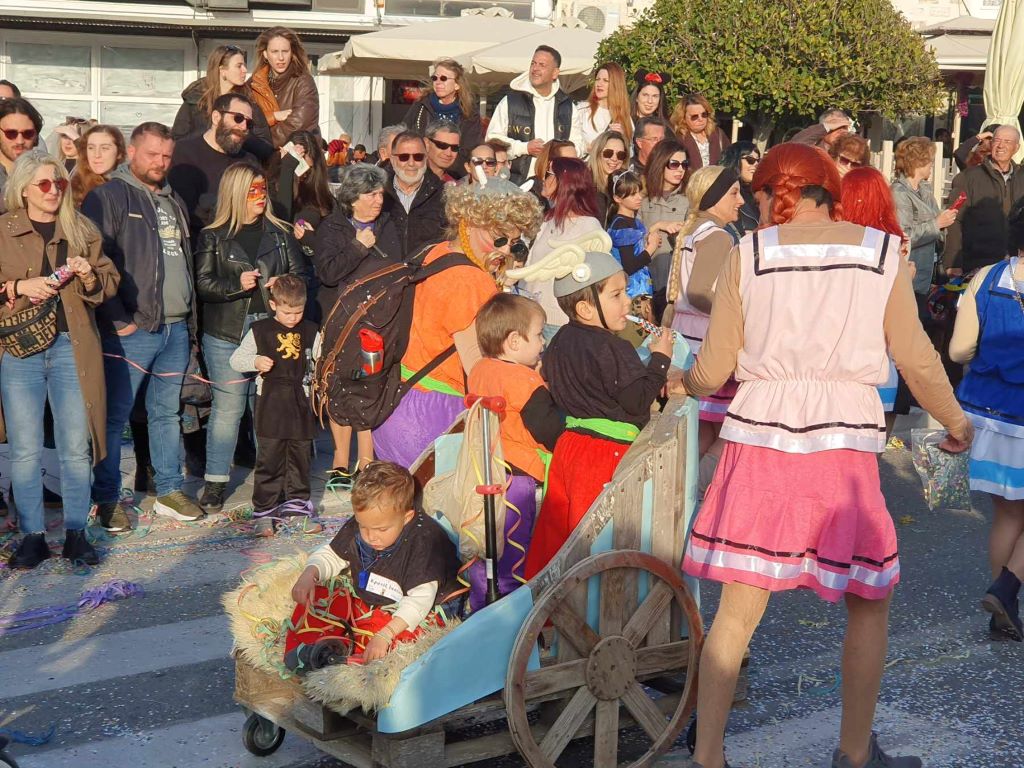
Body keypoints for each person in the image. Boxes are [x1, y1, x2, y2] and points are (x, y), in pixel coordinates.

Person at [676, 143, 972, 768]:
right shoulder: (881, 253)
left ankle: (707, 757)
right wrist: (955, 420)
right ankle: (853, 753)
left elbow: (716, 366)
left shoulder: (748, 252)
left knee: (738, 609)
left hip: (759, 435)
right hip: (843, 443)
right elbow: (916, 356)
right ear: (827, 191)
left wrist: (687, 383)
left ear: (769, 193)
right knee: (868, 598)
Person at [519, 250, 674, 577]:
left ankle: (545, 600)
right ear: (585, 308)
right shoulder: (613, 347)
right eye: (616, 295)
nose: (628, 301)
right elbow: (636, 401)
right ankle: (589, 601)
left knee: (559, 533)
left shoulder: (559, 341)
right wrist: (660, 361)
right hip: (606, 453)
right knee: (594, 539)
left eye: (626, 292)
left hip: (570, 448)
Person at [0, 151, 119, 569]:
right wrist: (18, 285)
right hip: (20, 350)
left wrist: (88, 276)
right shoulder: (4, 229)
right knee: (25, 450)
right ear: (24, 189)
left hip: (72, 348)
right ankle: (32, 535)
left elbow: (108, 283)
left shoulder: (80, 228)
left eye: (60, 183)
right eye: (45, 184)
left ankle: (75, 533)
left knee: (74, 448)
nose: (54, 191)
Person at [82, 122, 204, 527]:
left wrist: (189, 320)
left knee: (167, 413)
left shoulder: (173, 199)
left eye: (166, 155)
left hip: (175, 327)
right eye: (152, 154)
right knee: (115, 417)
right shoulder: (108, 196)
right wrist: (118, 320)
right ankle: (107, 498)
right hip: (133, 329)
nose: (160, 162)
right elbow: (95, 262)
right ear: (131, 152)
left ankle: (168, 490)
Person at [373, 180, 542, 468]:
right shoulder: (471, 280)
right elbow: (479, 369)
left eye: (515, 243)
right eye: (499, 238)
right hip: (436, 416)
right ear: (469, 222)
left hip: (397, 404)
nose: (505, 250)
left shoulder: (435, 252)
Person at [193, 162, 307, 513]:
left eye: (263, 189)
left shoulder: (279, 232)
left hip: (271, 330)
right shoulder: (213, 235)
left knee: (268, 409)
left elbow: (302, 276)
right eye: (252, 191)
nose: (260, 197)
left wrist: (284, 284)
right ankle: (215, 482)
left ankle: (271, 479)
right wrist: (235, 286)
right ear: (236, 193)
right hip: (226, 332)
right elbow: (203, 285)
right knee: (228, 409)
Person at [287, 461, 461, 664]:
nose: (370, 536)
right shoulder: (369, 522)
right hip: (377, 599)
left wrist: (385, 634)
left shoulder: (423, 542)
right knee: (322, 599)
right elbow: (332, 554)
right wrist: (309, 574)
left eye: (381, 530)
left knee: (406, 643)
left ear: (406, 518)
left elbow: (419, 601)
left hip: (422, 609)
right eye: (363, 526)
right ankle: (317, 647)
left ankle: (351, 659)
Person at [950, 198, 1024, 641]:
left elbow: (959, 349)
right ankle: (1006, 589)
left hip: (988, 412)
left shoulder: (988, 276)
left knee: (1008, 514)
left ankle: (1003, 608)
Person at [466, 293, 563, 610]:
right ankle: (510, 611)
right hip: (521, 477)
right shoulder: (524, 380)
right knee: (516, 547)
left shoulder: (480, 369)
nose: (543, 342)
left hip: (486, 468)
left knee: (487, 544)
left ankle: (481, 604)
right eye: (539, 335)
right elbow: (549, 431)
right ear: (514, 341)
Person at [312, 163, 401, 483]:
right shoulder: (332, 228)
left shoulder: (388, 224)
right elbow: (328, 273)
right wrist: (358, 246)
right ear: (352, 198)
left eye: (380, 193)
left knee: (370, 386)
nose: (378, 200)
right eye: (371, 194)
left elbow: (395, 268)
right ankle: (339, 461)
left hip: (377, 323)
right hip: (340, 322)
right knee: (337, 387)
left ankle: (366, 461)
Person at [666, 165, 742, 485]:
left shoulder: (694, 230)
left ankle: (684, 492)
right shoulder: (717, 236)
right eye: (734, 193)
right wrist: (739, 314)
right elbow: (699, 292)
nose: (741, 201)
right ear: (714, 197)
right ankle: (696, 492)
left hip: (686, 340)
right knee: (726, 432)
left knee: (703, 430)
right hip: (706, 344)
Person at [229, 274, 318, 536]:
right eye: (287, 312)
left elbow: (321, 359)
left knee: (300, 458)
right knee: (270, 459)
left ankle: (298, 510)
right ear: (273, 305)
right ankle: (265, 512)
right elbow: (236, 359)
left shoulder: (311, 330)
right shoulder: (260, 330)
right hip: (271, 402)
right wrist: (255, 362)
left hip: (300, 401)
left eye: (298, 312)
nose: (293, 318)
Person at [841, 167, 909, 432]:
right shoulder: (894, 243)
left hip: (838, 354)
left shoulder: (832, 240)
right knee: (877, 438)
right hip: (881, 353)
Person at [518, 157, 603, 334]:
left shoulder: (589, 226)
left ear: (563, 182)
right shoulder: (547, 219)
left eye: (548, 174)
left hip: (558, 322)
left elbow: (596, 280)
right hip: (528, 315)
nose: (543, 179)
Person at [486, 45, 583, 184]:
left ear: (555, 73)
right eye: (533, 63)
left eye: (542, 65)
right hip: (517, 182)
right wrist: (524, 147)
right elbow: (492, 140)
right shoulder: (510, 101)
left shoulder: (567, 106)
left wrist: (558, 153)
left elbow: (578, 145)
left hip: (556, 183)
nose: (535, 68)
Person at [167, 92, 259, 237]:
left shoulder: (249, 162)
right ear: (216, 117)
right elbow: (181, 209)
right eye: (238, 118)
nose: (243, 127)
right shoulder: (183, 152)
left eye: (249, 123)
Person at [943, 125, 1024, 278]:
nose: (1001, 145)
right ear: (991, 144)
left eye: (1007, 141)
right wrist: (953, 262)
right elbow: (954, 220)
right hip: (977, 264)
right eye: (997, 140)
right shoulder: (968, 178)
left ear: (1016, 147)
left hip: (1016, 265)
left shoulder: (1021, 177)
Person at [606, 169, 675, 341]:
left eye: (639, 192)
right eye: (632, 194)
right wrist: (650, 248)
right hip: (631, 293)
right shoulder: (621, 225)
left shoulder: (634, 222)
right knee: (634, 339)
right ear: (618, 198)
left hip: (641, 289)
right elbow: (628, 266)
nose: (638, 198)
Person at [891, 137, 957, 316]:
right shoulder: (899, 193)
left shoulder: (924, 189)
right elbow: (903, 236)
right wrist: (937, 224)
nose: (932, 165)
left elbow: (934, 219)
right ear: (917, 162)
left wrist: (944, 219)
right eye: (929, 160)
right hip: (911, 274)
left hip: (928, 273)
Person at [171, 44, 273, 159]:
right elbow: (177, 139)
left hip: (234, 166)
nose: (245, 70)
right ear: (222, 70)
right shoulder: (195, 100)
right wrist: (212, 133)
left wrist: (240, 133)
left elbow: (266, 149)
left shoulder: (248, 104)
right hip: (199, 163)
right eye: (239, 66)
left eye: (244, 65)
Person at [404, 59, 483, 179]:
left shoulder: (469, 113)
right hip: (419, 172)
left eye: (443, 78)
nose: (438, 82)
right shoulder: (421, 105)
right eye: (435, 78)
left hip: (455, 175)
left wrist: (443, 164)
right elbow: (405, 134)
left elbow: (469, 150)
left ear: (457, 85)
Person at [641, 139, 690, 321]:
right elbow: (631, 240)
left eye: (684, 164)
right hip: (645, 278)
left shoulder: (689, 199)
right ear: (660, 163)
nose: (680, 170)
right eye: (674, 164)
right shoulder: (642, 197)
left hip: (674, 280)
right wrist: (657, 226)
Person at [249, 26, 320, 147]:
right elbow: (246, 121)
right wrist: (273, 116)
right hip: (264, 156)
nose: (281, 58)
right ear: (265, 54)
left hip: (300, 155)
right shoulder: (254, 84)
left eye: (285, 51)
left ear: (292, 53)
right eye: (275, 52)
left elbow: (298, 125)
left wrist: (260, 141)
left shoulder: (303, 81)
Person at [380, 130, 446, 257]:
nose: (411, 163)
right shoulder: (377, 192)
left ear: (426, 158)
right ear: (392, 160)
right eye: (404, 157)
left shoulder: (443, 195)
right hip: (386, 267)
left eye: (418, 157)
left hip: (428, 267)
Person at [576, 62, 632, 154]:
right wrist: (589, 147)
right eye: (597, 79)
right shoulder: (582, 110)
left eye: (606, 80)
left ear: (616, 84)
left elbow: (630, 154)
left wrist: (623, 140)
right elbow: (571, 144)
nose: (599, 84)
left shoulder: (624, 116)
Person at [0, 97, 42, 213]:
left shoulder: (49, 174)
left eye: (28, 133)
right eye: (11, 133)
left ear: (36, 136)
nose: (20, 141)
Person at [671, 93, 731, 171]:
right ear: (683, 118)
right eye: (694, 116)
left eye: (704, 114)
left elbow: (730, 161)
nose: (700, 119)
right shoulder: (677, 138)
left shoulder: (718, 134)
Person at [70, 124, 125, 208]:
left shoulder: (129, 187)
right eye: (91, 148)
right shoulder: (75, 186)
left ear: (119, 153)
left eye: (104, 148)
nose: (97, 155)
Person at [718, 141, 761, 238]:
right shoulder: (724, 192)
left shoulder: (759, 193)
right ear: (735, 160)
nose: (756, 164)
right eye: (750, 160)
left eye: (758, 160)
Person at [587, 130, 628, 224]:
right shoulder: (583, 183)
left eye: (620, 155)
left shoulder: (624, 187)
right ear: (597, 153)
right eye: (608, 153)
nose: (614, 159)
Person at [789, 108, 854, 150]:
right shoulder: (813, 151)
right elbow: (792, 147)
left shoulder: (852, 153)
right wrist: (826, 126)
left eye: (843, 126)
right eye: (834, 124)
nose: (840, 131)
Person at [424, 119, 461, 184]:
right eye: (442, 145)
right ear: (426, 143)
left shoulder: (457, 186)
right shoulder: (411, 177)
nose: (448, 153)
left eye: (454, 147)